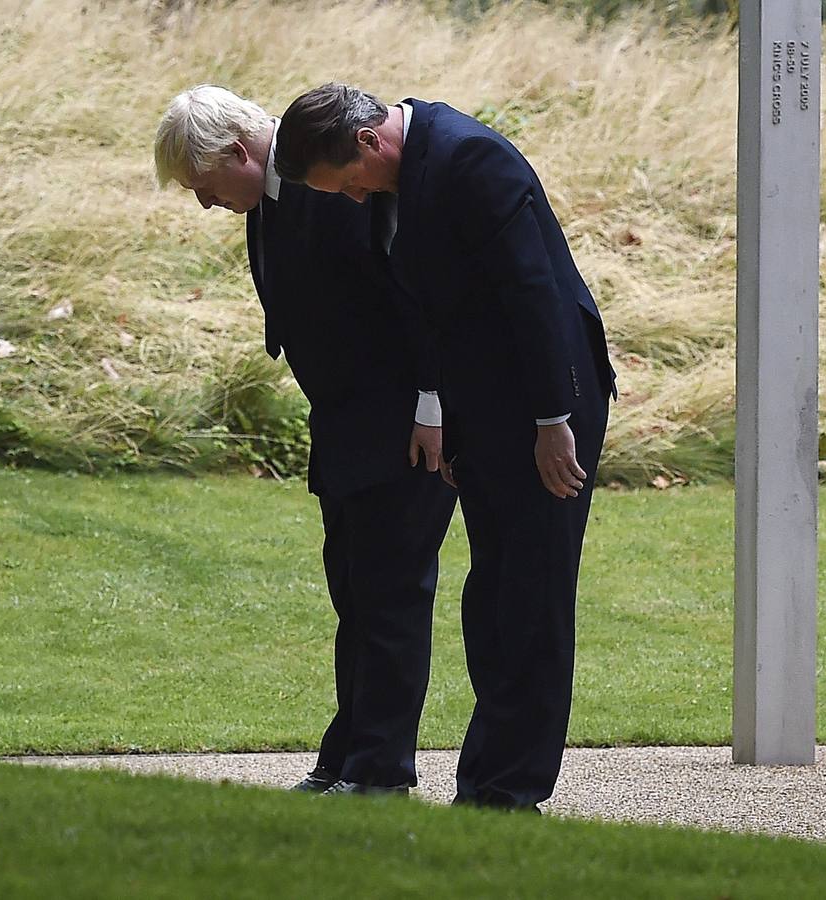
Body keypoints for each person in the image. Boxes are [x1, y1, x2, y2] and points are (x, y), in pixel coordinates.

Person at [273, 83, 617, 812]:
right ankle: (486, 784)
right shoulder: (394, 178)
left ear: (368, 141)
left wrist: (551, 421)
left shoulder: (470, 160)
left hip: (547, 402)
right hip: (484, 406)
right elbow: (429, 310)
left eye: (348, 184)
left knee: (530, 593)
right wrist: (453, 425)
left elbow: (533, 292)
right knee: (491, 597)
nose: (355, 200)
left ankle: (509, 789)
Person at [153, 85, 457, 796]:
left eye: (204, 186)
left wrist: (433, 402)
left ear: (238, 151)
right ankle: (347, 756)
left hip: (402, 419)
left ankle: (379, 771)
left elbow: (413, 292)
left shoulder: (332, 183)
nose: (206, 204)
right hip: (345, 418)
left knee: (389, 595)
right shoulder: (274, 195)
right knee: (355, 592)